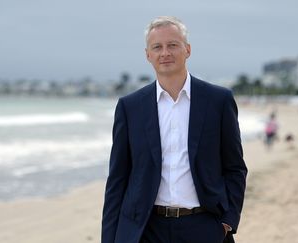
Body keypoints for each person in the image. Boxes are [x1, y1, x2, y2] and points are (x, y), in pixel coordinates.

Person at [102, 16, 247, 243]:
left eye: (173, 45)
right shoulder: (130, 107)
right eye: (157, 47)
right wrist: (109, 238)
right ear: (148, 55)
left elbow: (235, 167)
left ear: (187, 50)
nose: (165, 53)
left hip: (203, 226)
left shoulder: (218, 100)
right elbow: (118, 179)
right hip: (146, 229)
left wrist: (227, 221)